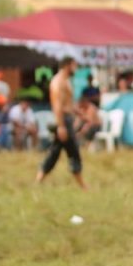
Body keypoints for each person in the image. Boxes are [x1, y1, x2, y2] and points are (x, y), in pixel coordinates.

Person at [36, 57, 86, 189]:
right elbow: (57, 106)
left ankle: (39, 180)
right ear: (67, 66)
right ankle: (83, 186)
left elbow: (66, 103)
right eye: (74, 65)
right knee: (73, 152)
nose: (76, 68)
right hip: (63, 120)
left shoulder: (65, 81)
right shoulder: (58, 82)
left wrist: (77, 112)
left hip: (66, 118)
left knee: (55, 152)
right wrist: (61, 126)